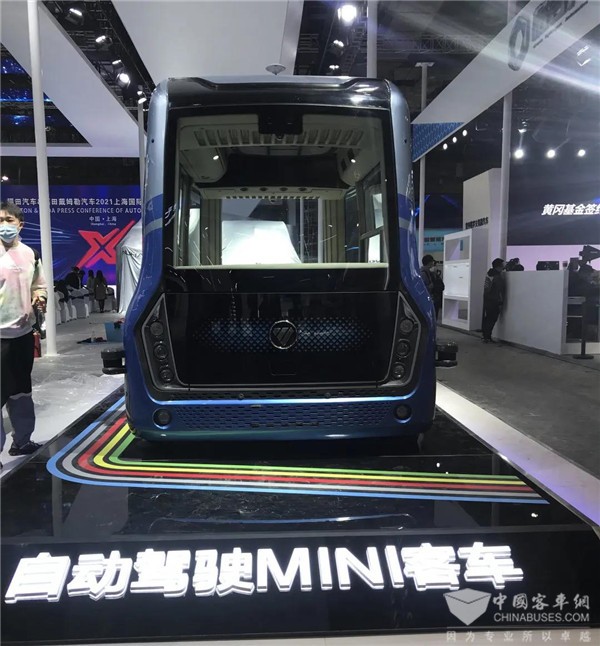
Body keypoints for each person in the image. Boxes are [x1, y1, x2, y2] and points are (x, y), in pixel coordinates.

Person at [0, 201, 47, 456]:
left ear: (20, 224)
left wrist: (40, 298)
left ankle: (22, 441)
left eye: (9, 220)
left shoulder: (31, 254)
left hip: (23, 335)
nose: (4, 225)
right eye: (0, 221)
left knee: (21, 391)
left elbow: (39, 285)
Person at [482, 257, 506, 343]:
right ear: (499, 266)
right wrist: (501, 301)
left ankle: (485, 336)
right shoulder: (497, 276)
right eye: (503, 264)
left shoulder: (489, 273)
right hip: (494, 300)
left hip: (487, 299)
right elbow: (500, 289)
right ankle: (488, 337)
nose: (504, 266)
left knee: (487, 318)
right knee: (492, 319)